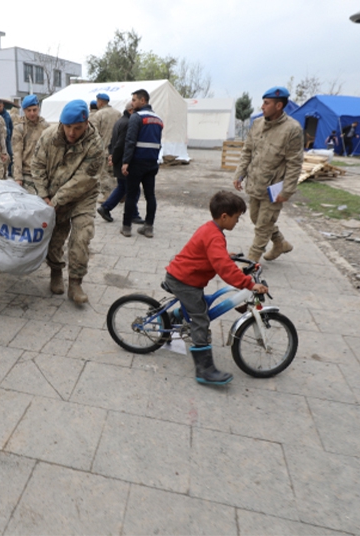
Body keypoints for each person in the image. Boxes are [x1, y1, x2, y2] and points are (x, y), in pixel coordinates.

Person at [164, 191, 269, 386]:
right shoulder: (214, 236)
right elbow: (224, 269)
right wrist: (249, 283)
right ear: (224, 216)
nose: (237, 222)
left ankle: (173, 318)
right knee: (201, 318)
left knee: (200, 304)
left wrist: (225, 254)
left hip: (186, 276)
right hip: (183, 280)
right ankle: (204, 370)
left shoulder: (211, 230)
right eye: (237, 218)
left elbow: (212, 253)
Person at [31, 100, 104, 305]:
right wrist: (44, 195)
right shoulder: (49, 137)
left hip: (83, 196)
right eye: (68, 126)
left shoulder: (95, 145)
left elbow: (84, 180)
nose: (72, 132)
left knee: (81, 236)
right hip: (53, 196)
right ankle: (56, 272)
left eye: (78, 128)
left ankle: (75, 283)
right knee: (55, 238)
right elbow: (37, 166)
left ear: (86, 123)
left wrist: (55, 200)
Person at [233, 86, 303, 262]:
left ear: (279, 106)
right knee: (256, 218)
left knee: (263, 225)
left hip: (274, 188)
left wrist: (287, 191)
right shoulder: (257, 124)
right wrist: (239, 174)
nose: (262, 106)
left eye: (266, 103)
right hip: (255, 184)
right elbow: (247, 151)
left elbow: (294, 163)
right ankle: (280, 243)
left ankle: (252, 260)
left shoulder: (292, 129)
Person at [121, 89, 163, 238]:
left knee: (131, 195)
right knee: (150, 195)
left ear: (142, 100)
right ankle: (149, 227)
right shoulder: (158, 119)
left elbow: (130, 140)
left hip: (137, 162)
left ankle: (126, 227)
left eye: (134, 100)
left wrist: (126, 161)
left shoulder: (136, 117)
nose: (132, 103)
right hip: (152, 163)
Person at [97, 101, 143, 224]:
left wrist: (112, 156)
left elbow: (113, 142)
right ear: (130, 111)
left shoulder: (120, 121)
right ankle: (133, 214)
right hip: (124, 162)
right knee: (133, 189)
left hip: (119, 160)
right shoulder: (128, 123)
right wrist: (115, 158)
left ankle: (105, 208)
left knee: (123, 188)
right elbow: (121, 144)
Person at [11, 94, 49, 194]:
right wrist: (18, 177)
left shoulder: (45, 126)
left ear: (38, 109)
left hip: (43, 172)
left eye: (34, 110)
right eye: (29, 110)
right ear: (24, 111)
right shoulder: (19, 128)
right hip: (26, 173)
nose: (32, 113)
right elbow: (17, 153)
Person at [91, 92, 122, 196]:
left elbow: (94, 133)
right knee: (116, 173)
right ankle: (120, 194)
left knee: (104, 174)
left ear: (100, 102)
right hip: (117, 149)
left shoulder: (98, 114)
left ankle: (107, 195)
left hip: (103, 149)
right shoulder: (118, 113)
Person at [0, 100, 14, 176]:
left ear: (3, 105)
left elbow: (11, 126)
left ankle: (10, 171)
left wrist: (9, 135)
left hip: (7, 139)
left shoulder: (7, 115)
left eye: (0, 106)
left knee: (10, 154)